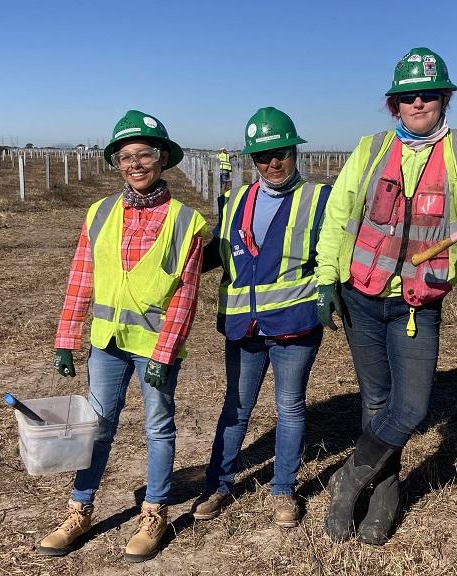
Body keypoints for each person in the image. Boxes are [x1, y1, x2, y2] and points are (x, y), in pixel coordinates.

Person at [314, 48, 457, 545]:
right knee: (376, 399)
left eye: (428, 96)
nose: (418, 104)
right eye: (407, 97)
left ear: (444, 100)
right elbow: (338, 215)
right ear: (395, 105)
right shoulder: (370, 149)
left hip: (418, 302)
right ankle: (385, 492)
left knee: (411, 408)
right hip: (361, 297)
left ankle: (351, 477)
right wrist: (326, 279)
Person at [37, 110, 208, 562]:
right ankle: (80, 508)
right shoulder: (99, 213)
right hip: (106, 344)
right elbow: (82, 276)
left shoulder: (185, 220)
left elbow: (186, 295)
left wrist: (166, 352)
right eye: (125, 156)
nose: (135, 163)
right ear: (117, 162)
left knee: (158, 428)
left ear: (162, 158)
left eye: (144, 154)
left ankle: (154, 511)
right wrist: (66, 337)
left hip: (155, 347)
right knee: (97, 428)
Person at [192, 107, 332, 527]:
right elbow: (225, 251)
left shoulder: (318, 199)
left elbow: (331, 257)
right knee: (235, 405)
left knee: (289, 406)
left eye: (281, 154)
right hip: (242, 326)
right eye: (262, 156)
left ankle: (283, 490)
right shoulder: (235, 200)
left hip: (295, 325)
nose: (272, 164)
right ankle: (218, 483)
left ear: (295, 152)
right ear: (251, 160)